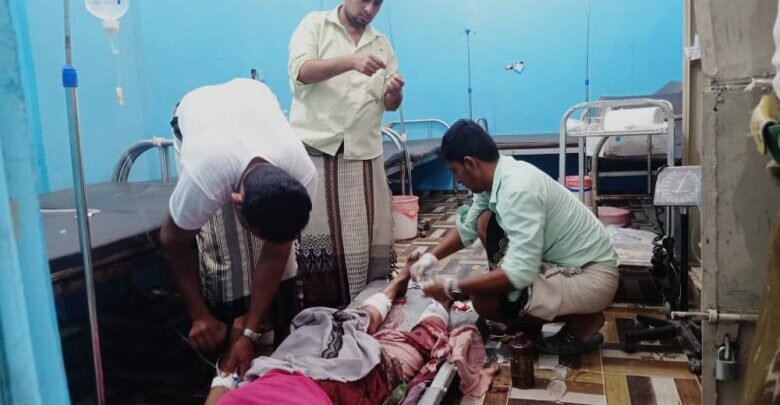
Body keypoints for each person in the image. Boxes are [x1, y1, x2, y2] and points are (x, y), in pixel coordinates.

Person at [415, 119, 620, 355]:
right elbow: (468, 228)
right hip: (567, 264)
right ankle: (524, 316)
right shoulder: (498, 176)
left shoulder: (518, 190)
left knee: (484, 301)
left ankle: (583, 321)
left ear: (470, 163)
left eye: (455, 171)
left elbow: (518, 274)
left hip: (592, 277)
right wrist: (431, 257)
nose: (457, 180)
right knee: (484, 220)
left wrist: (454, 286)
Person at [159, 78, 317, 376]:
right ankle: (225, 336)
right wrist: (199, 315)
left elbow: (277, 253)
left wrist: (249, 333)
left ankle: (265, 333)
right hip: (198, 109)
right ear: (236, 200)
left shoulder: (303, 175)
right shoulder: (204, 178)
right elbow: (171, 240)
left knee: (285, 263)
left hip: (253, 98)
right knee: (225, 252)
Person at [204, 256, 493, 405]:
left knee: (355, 325)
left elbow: (221, 387)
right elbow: (220, 390)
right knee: (375, 333)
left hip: (298, 371)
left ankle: (398, 285)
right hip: (318, 379)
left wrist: (225, 376)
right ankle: (431, 298)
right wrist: (224, 380)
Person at [288, 0, 405, 308]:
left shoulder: (381, 44)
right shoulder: (315, 25)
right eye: (365, 0)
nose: (370, 8)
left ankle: (367, 302)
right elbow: (301, 71)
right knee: (319, 234)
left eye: (377, 3)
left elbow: (389, 103)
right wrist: (351, 62)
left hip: (363, 150)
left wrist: (394, 94)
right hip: (317, 148)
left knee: (364, 232)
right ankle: (323, 306)